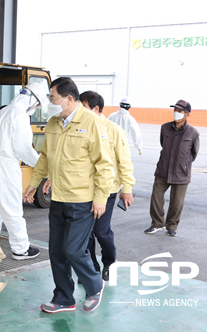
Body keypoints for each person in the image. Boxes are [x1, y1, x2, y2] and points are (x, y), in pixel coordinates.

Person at [23, 77, 114, 313]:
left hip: (83, 200)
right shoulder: (54, 122)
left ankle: (95, 285)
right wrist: (35, 182)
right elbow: (46, 156)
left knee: (73, 250)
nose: (50, 102)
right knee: (56, 252)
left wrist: (101, 198)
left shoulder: (92, 123)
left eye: (52, 98)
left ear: (69, 99)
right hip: (58, 198)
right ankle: (64, 298)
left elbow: (105, 164)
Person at [0, 82, 49, 260]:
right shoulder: (19, 115)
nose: (35, 108)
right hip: (5, 165)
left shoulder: (3, 111)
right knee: (12, 210)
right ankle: (21, 249)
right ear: (33, 100)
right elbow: (23, 149)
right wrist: (43, 165)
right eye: (37, 105)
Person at [79, 91, 135, 281]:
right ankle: (92, 269)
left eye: (84, 107)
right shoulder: (81, 128)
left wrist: (127, 188)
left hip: (107, 190)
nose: (80, 111)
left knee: (100, 231)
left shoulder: (114, 131)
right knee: (84, 233)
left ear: (96, 109)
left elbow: (125, 162)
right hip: (84, 190)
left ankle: (109, 262)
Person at [145, 100, 199, 237]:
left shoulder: (193, 133)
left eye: (180, 111)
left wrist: (183, 164)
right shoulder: (165, 128)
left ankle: (171, 226)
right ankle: (157, 224)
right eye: (175, 110)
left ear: (187, 115)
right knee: (156, 197)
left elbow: (194, 153)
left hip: (181, 173)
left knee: (177, 203)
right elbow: (163, 144)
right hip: (163, 170)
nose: (176, 113)